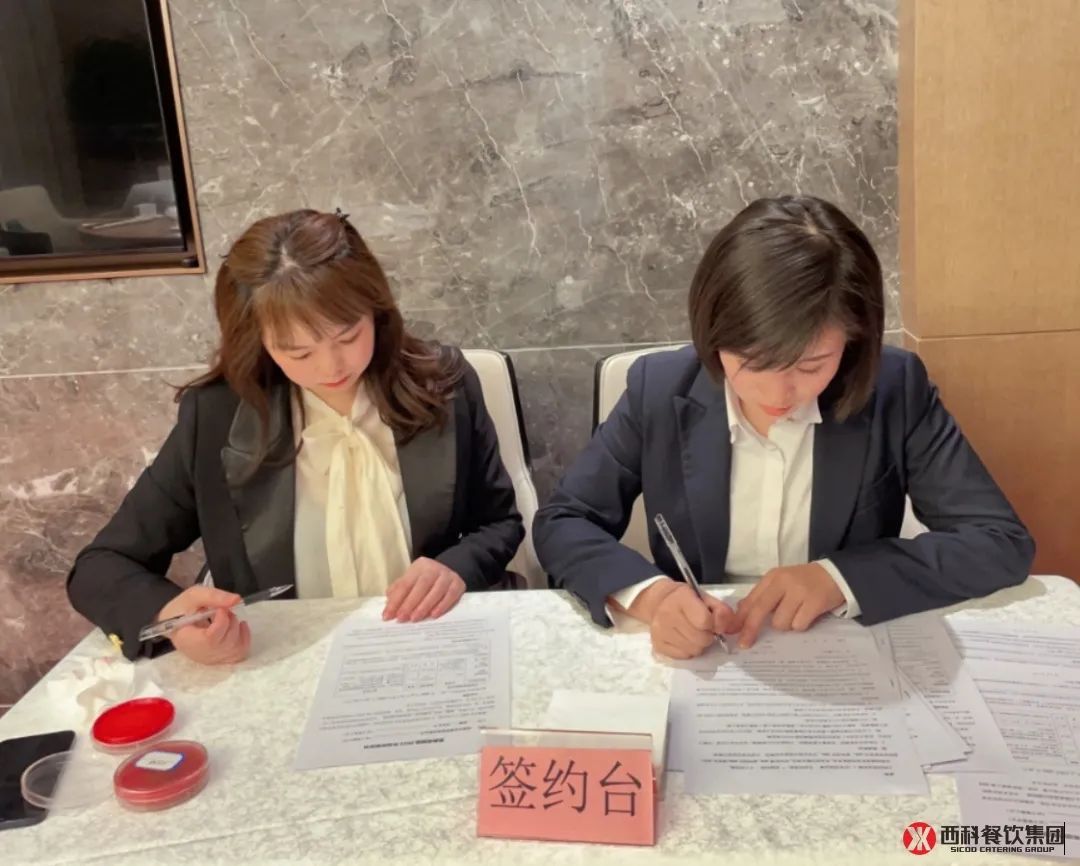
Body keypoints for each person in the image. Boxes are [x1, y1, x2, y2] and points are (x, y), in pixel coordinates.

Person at [533, 195, 1034, 659]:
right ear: (712, 333)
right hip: (706, 652)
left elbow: (998, 540)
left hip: (842, 651)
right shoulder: (660, 389)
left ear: (854, 341)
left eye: (811, 366)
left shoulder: (894, 389)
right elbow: (565, 521)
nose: (777, 396)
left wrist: (840, 578)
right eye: (751, 363)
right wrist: (654, 597)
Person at [68, 209, 524, 664]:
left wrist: (454, 568)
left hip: (430, 643)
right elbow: (102, 565)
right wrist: (172, 617)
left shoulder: (444, 385)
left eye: (348, 336)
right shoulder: (217, 416)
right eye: (299, 353)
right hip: (283, 659)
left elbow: (499, 522)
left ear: (376, 310)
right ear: (259, 341)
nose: (332, 367)